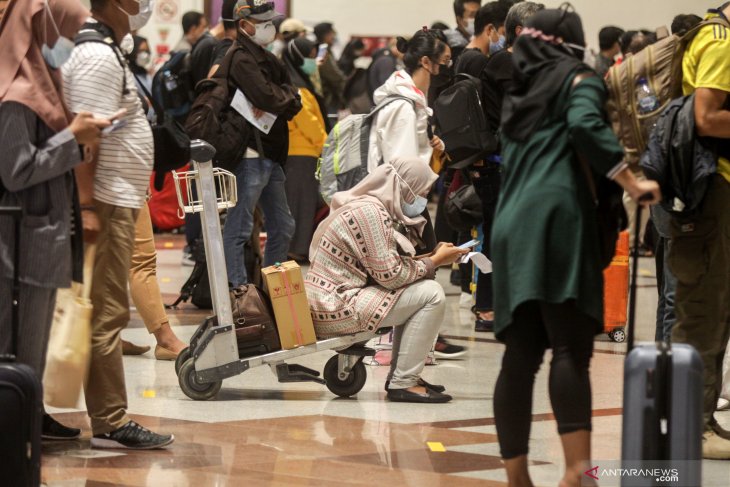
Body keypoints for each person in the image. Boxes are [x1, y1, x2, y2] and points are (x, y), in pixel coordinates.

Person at [491, 7, 660, 486]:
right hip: (557, 221)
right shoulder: (580, 78)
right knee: (569, 350)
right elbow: (587, 126)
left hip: (511, 224)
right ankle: (576, 474)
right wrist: (631, 182)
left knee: (519, 357)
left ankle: (517, 478)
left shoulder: (520, 90)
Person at [63, 0, 174, 449]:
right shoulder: (95, 54)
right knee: (105, 310)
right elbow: (85, 138)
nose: (145, 4)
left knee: (101, 309)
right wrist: (88, 205)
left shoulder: (107, 46)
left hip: (117, 198)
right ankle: (109, 419)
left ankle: (46, 410)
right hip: (106, 202)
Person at [0, 0, 109, 441]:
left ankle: (26, 422)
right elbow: (15, 169)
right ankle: (16, 439)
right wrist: (73, 139)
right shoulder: (16, 94)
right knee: (22, 346)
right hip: (21, 244)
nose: (63, 49)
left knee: (33, 345)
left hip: (37, 235)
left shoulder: (41, 88)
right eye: (59, 34)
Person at [306, 158, 469, 403]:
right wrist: (435, 262)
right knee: (431, 293)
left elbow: (383, 265)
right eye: (421, 192)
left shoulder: (369, 207)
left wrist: (433, 256)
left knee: (420, 289)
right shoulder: (371, 214)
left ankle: (404, 377)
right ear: (403, 187)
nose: (423, 200)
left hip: (330, 299)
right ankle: (404, 382)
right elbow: (391, 276)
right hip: (337, 306)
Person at [669, 2, 730, 459]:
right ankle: (691, 426)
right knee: (703, 309)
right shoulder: (722, 41)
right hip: (711, 192)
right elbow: (708, 116)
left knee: (712, 307)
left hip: (709, 189)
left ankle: (698, 418)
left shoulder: (712, 36)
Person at [461, 1, 544, 333]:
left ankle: (496, 306)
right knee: (499, 239)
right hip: (501, 167)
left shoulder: (509, 63)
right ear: (521, 32)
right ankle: (488, 308)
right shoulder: (507, 63)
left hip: (506, 165)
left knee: (504, 238)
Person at [221, 0, 301, 288]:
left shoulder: (267, 58)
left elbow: (290, 98)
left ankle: (270, 291)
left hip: (271, 154)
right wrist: (281, 98)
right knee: (239, 228)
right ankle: (240, 295)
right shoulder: (241, 58)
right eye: (263, 21)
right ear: (245, 25)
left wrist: (282, 98)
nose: (270, 27)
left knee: (283, 225)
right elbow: (270, 98)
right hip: (250, 154)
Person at [367, 29, 448, 173]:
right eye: (445, 61)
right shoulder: (402, 107)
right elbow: (402, 172)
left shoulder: (413, 100)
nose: (448, 67)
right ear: (426, 62)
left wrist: (431, 144)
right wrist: (417, 196)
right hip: (398, 193)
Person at [281, 37, 328, 262]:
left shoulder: (301, 84)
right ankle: (295, 249)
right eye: (309, 55)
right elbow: (307, 121)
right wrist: (325, 143)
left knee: (304, 203)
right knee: (300, 204)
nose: (313, 60)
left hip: (305, 152)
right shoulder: (295, 87)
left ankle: (298, 247)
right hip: (300, 152)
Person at [314, 22, 348, 114]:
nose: (334, 36)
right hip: (327, 97)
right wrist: (346, 83)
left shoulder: (320, 49)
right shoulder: (322, 51)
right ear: (326, 35)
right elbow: (331, 73)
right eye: (332, 34)